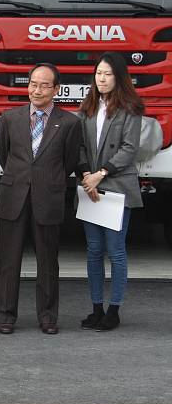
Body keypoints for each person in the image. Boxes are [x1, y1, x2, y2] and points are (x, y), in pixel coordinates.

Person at [0, 63, 82, 334]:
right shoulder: (10, 118)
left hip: (49, 196)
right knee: (8, 260)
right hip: (13, 195)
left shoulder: (69, 122)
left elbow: (69, 162)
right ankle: (6, 316)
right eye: (33, 83)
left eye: (44, 85)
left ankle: (47, 317)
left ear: (56, 89)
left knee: (47, 261)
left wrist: (47, 179)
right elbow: (4, 155)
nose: (37, 89)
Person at [77, 52, 143, 331]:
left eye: (107, 74)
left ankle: (113, 310)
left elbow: (129, 149)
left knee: (115, 251)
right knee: (93, 251)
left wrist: (100, 174)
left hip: (115, 185)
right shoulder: (88, 107)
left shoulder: (131, 108)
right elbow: (79, 145)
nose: (101, 79)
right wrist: (85, 176)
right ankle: (96, 308)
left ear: (119, 77)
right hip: (89, 186)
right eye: (98, 73)